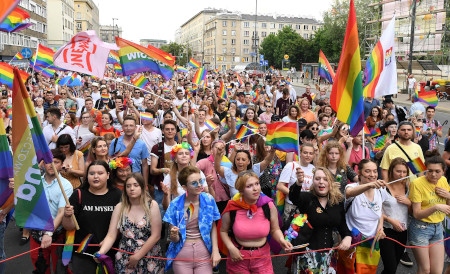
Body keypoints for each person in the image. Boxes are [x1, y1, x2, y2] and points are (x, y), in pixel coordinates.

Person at [219, 171, 293, 273]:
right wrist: (231, 248)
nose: (255, 189)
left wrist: (281, 240)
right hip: (238, 256)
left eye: (257, 184)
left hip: (262, 256)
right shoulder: (232, 207)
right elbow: (223, 231)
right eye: (249, 186)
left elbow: (275, 229)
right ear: (241, 190)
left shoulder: (268, 205)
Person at [96, 173, 165, 274]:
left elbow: (156, 235)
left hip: (149, 257)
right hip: (125, 258)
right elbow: (111, 235)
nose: (131, 188)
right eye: (128, 186)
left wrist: (137, 256)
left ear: (142, 187)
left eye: (135, 185)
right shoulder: (120, 207)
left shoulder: (151, 205)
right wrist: (100, 253)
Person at [289, 167, 352, 273]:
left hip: (329, 255)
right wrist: (299, 183)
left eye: (325, 179)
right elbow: (293, 197)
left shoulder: (337, 201)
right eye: (318, 179)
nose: (321, 182)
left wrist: (348, 237)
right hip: (306, 254)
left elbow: (342, 224)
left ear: (330, 182)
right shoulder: (307, 198)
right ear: (313, 181)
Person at [62, 161, 122, 273]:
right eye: (92, 173)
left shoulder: (117, 195)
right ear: (87, 176)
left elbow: (122, 225)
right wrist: (67, 215)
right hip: (83, 253)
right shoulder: (78, 194)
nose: (96, 176)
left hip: (111, 252)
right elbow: (69, 227)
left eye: (100, 173)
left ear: (108, 175)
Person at [163, 166, 221, 273]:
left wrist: (215, 250)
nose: (199, 185)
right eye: (194, 183)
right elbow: (174, 239)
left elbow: (213, 227)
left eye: (201, 181)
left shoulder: (209, 199)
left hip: (204, 251)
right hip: (182, 253)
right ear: (185, 187)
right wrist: (174, 235)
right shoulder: (175, 205)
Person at [339, 159, 388, 273]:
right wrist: (369, 185)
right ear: (359, 173)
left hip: (371, 243)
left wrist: (380, 227)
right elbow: (349, 193)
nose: (372, 175)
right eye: (368, 171)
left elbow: (380, 211)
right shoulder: (351, 187)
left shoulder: (380, 190)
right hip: (352, 242)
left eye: (375, 171)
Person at [30, 148, 73, 274]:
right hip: (36, 233)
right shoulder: (34, 182)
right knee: (40, 268)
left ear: (62, 165)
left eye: (56, 162)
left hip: (56, 234)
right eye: (48, 161)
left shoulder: (66, 185)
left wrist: (48, 234)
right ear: (43, 163)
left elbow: (61, 213)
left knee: (60, 268)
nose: (51, 165)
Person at [408, 156, 450, 274]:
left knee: (436, 271)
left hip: (438, 227)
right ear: (425, 169)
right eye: (429, 170)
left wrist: (449, 196)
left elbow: (448, 206)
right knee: (425, 269)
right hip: (420, 228)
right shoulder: (417, 183)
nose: (433, 174)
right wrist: (435, 207)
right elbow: (416, 214)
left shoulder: (443, 180)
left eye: (437, 171)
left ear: (443, 171)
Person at [379, 157, 411, 274]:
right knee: (391, 267)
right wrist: (390, 220)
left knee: (393, 266)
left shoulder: (409, 187)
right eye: (398, 171)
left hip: (403, 231)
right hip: (387, 231)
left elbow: (414, 212)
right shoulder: (383, 188)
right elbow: (375, 211)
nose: (401, 174)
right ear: (391, 170)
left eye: (404, 172)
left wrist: (409, 203)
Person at [109, 116, 149, 183]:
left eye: (131, 126)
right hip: (118, 180)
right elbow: (109, 160)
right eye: (126, 126)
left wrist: (145, 183)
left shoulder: (141, 144)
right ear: (122, 127)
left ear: (135, 127)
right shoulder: (115, 142)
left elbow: (144, 165)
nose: (128, 128)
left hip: (136, 179)